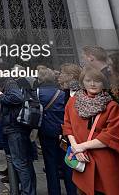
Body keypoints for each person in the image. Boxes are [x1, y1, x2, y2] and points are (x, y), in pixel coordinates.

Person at [63, 66, 119, 195]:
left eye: (97, 80)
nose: (92, 84)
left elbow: (111, 135)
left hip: (104, 161)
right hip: (82, 158)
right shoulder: (73, 101)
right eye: (88, 80)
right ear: (82, 82)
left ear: (103, 83)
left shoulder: (112, 106)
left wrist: (81, 147)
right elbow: (67, 125)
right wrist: (75, 147)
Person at [0, 69, 36, 195]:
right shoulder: (10, 83)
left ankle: (27, 192)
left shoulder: (10, 83)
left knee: (20, 162)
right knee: (24, 162)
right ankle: (29, 190)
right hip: (15, 127)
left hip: (14, 127)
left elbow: (16, 98)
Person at [37, 67, 77, 195]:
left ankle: (54, 191)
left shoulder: (37, 92)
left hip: (46, 132)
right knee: (68, 164)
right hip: (64, 133)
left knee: (50, 165)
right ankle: (72, 191)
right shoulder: (61, 93)